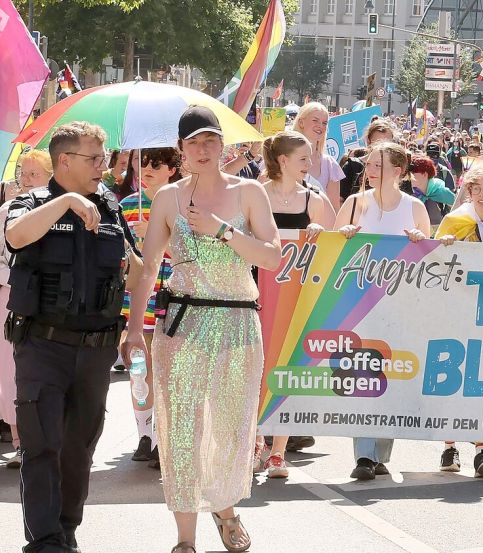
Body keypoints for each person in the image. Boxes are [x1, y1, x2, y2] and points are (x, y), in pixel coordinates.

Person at [123, 106, 281, 553]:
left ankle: (226, 510)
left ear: (222, 144)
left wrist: (223, 231)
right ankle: (185, 539)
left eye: (211, 140)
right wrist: (135, 327)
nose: (203, 149)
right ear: (181, 150)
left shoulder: (249, 191)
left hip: (237, 323)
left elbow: (272, 257)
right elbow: (150, 265)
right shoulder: (168, 198)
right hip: (183, 325)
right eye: (193, 142)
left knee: (232, 426)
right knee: (182, 429)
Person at [5, 121, 140, 553]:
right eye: (94, 158)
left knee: (79, 448)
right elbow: (15, 235)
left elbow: (136, 273)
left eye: (103, 157)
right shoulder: (31, 202)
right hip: (43, 345)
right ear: (64, 160)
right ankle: (44, 541)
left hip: (97, 349)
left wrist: (138, 259)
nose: (104, 166)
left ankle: (66, 531)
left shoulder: (112, 207)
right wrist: (65, 201)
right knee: (42, 444)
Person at [334, 141, 431, 481]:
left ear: (399, 172)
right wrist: (342, 235)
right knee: (363, 374)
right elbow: (333, 250)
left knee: (389, 376)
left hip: (399, 304)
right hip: (358, 304)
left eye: (379, 165)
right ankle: (363, 455)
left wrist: (420, 241)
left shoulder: (414, 207)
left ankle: (380, 452)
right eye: (370, 164)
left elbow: (429, 263)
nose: (370, 170)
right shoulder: (353, 203)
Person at [254, 130, 336, 479]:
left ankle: (277, 452)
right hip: (256, 290)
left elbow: (336, 241)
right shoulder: (257, 194)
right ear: (283, 161)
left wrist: (319, 230)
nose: (310, 164)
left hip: (294, 294)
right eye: (303, 158)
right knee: (256, 366)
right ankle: (255, 440)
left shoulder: (313, 200)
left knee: (286, 365)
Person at [432, 161, 483, 476]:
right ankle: (449, 448)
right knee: (452, 377)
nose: (482, 195)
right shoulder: (453, 221)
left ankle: (482, 449)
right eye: (476, 188)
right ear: (468, 190)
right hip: (455, 308)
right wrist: (443, 246)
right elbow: (434, 262)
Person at [119, 147, 184, 471]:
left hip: (173, 300)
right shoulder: (127, 207)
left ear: (172, 168)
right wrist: (136, 246)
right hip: (137, 302)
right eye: (141, 162)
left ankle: (161, 436)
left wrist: (160, 240)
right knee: (139, 371)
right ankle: (144, 434)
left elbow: (190, 254)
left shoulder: (183, 206)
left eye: (155, 165)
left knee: (168, 370)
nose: (145, 169)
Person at [0, 149, 53, 471]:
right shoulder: (7, 210)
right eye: (23, 172)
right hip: (11, 300)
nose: (26, 179)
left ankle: (48, 439)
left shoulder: (63, 208)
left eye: (34, 173)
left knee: (46, 373)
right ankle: (20, 443)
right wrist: (18, 279)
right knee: (13, 375)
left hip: (50, 305)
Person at [293, 102, 345, 207]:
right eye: (315, 120)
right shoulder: (281, 156)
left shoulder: (330, 165)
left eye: (324, 123)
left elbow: (334, 209)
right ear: (301, 122)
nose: (320, 126)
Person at [339, 118, 399, 202]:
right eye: (378, 142)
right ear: (368, 141)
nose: (382, 147)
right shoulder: (352, 166)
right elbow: (339, 200)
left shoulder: (396, 170)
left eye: (387, 142)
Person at [409, 155, 455, 231]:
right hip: (417, 237)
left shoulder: (441, 191)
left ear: (424, 174)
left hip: (439, 238)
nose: (409, 175)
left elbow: (458, 210)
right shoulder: (410, 193)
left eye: (413, 172)